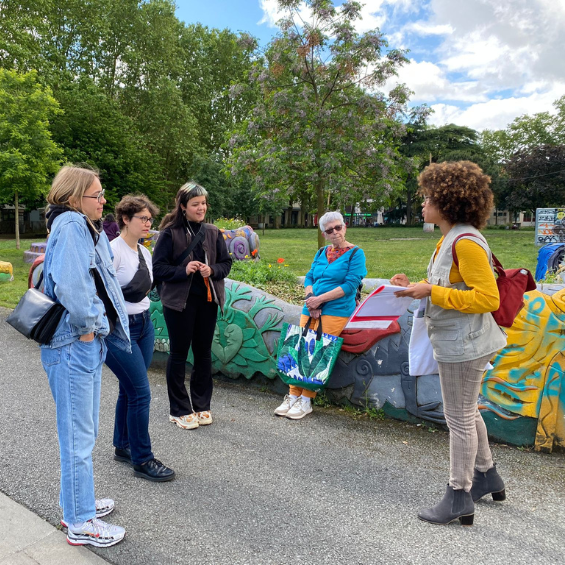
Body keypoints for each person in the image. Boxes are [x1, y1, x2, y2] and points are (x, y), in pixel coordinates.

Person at [391, 161, 507, 526]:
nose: (422, 205)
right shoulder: (450, 237)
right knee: (467, 412)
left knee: (457, 418)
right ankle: (487, 475)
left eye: (427, 198)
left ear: (448, 201)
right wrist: (415, 287)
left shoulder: (466, 242)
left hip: (465, 346)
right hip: (461, 341)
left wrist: (433, 291)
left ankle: (459, 494)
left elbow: (488, 299)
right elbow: (449, 286)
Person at [41, 165, 130, 547]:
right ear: (76, 197)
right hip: (75, 343)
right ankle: (80, 521)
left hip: (77, 343)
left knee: (82, 432)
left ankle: (76, 502)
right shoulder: (73, 226)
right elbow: (73, 287)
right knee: (77, 436)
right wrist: (91, 328)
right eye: (98, 195)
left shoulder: (74, 224)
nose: (104, 200)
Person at [105, 195, 175, 482]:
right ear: (125, 219)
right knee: (141, 392)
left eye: (150, 219)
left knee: (129, 388)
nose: (148, 224)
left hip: (144, 325)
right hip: (119, 329)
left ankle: (123, 445)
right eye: (143, 219)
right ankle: (142, 459)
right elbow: (101, 293)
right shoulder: (113, 251)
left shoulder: (144, 252)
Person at [153, 181, 232, 429]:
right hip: (179, 304)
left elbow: (226, 263)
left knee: (203, 354)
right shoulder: (170, 233)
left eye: (204, 203)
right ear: (183, 206)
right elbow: (159, 269)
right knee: (178, 353)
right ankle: (178, 409)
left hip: (207, 301)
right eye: (196, 204)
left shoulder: (212, 232)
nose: (201, 208)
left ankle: (201, 405)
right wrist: (183, 270)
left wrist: (213, 270)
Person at [274, 211, 367, 420]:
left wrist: (320, 300)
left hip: (336, 309)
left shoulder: (355, 253)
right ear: (324, 233)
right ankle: (292, 395)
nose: (335, 233)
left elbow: (350, 285)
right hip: (311, 306)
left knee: (319, 351)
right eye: (329, 230)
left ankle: (306, 399)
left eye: (338, 227)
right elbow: (309, 276)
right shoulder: (322, 252)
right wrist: (310, 298)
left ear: (345, 227)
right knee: (300, 349)